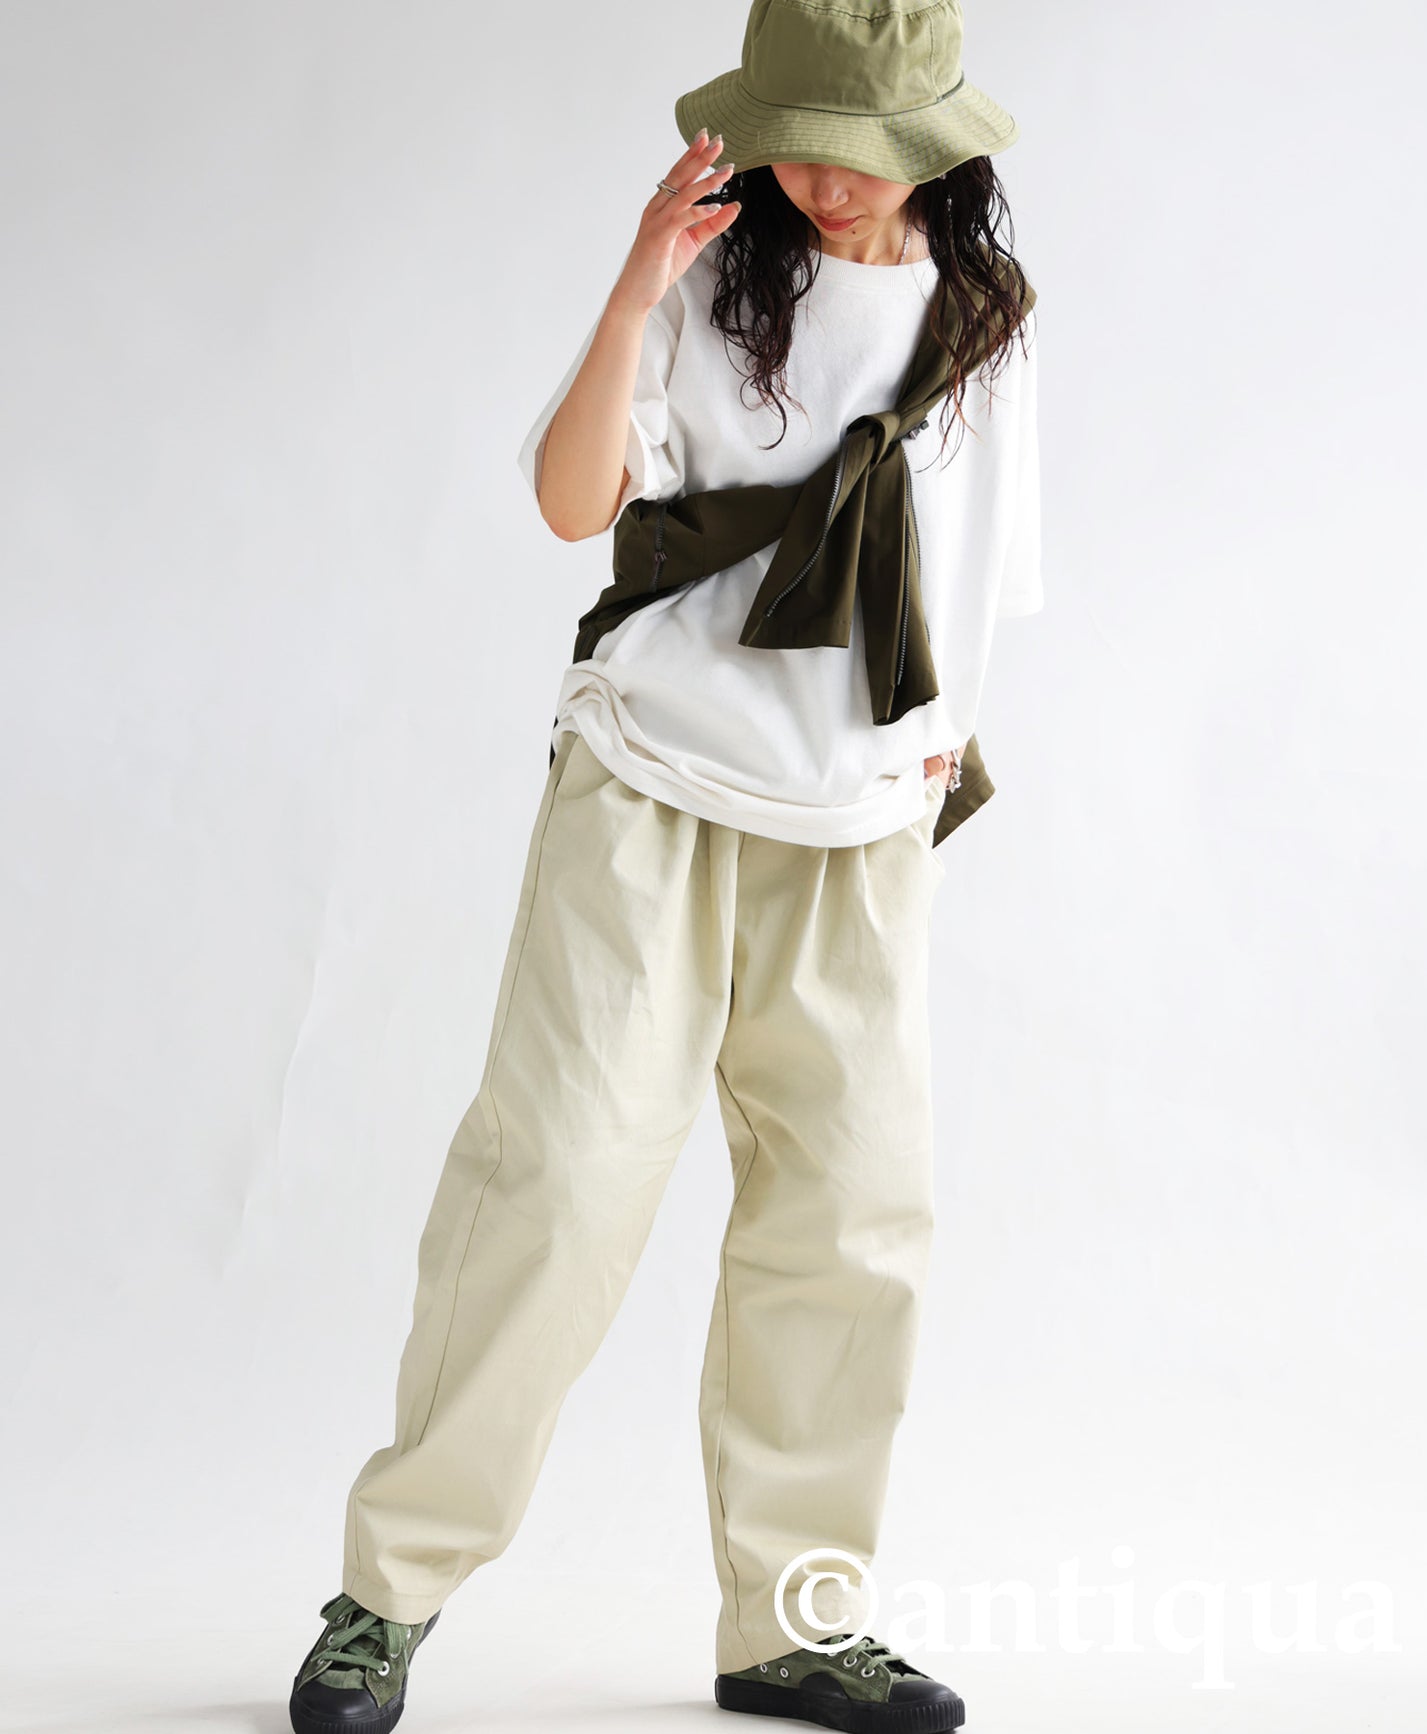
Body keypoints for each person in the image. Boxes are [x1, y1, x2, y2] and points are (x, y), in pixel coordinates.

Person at [287, 2, 1041, 1729]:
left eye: (858, 150)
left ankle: (793, 1623)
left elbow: (988, 556)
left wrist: (934, 757)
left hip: (859, 822)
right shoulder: (716, 282)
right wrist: (636, 285)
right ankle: (385, 1594)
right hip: (649, 786)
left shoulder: (986, 315)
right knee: (555, 1184)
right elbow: (573, 504)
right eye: (799, 142)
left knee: (850, 1222)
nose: (821, 180)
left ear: (932, 146)